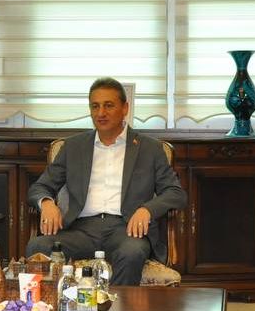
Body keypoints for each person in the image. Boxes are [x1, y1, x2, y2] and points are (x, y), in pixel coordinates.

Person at [26, 77, 187, 285]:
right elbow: (40, 187)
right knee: (37, 246)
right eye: (95, 106)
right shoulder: (73, 146)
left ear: (125, 108)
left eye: (108, 105)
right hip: (80, 230)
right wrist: (47, 203)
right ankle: (52, 305)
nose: (101, 113)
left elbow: (175, 193)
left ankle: (119, 307)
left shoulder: (150, 148)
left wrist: (147, 209)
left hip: (126, 229)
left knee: (132, 252)